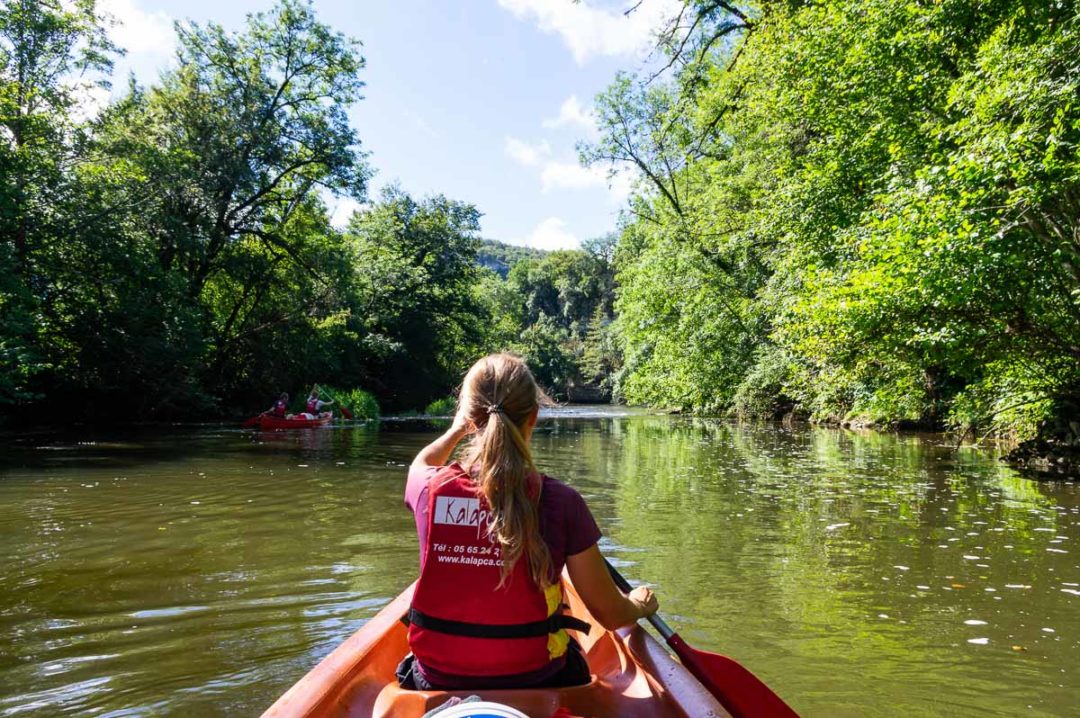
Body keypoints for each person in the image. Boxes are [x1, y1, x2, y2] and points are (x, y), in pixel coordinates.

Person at [397, 353, 658, 691]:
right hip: (537, 676)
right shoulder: (562, 502)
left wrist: (456, 430)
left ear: (470, 418)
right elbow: (610, 614)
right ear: (533, 417)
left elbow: (420, 463)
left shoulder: (429, 489)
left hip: (436, 677)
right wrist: (637, 604)